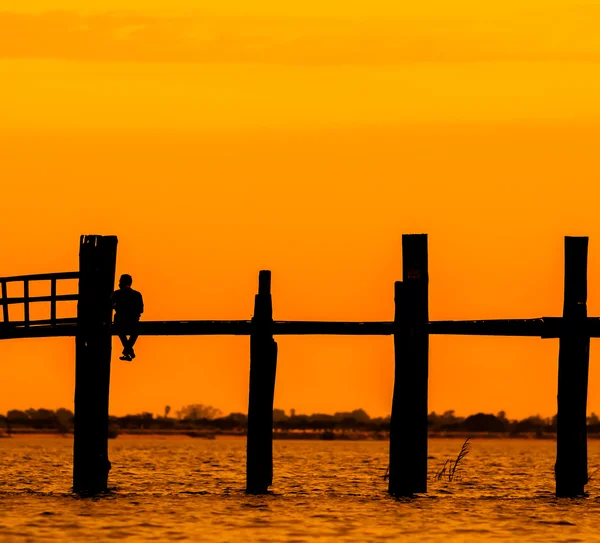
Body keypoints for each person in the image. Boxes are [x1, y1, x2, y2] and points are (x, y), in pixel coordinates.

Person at [111, 274, 144, 361]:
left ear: (121, 283)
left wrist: (118, 307)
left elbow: (109, 305)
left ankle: (128, 350)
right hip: (133, 321)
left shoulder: (116, 294)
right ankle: (128, 350)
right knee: (135, 332)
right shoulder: (137, 294)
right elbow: (141, 309)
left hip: (120, 321)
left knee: (120, 332)